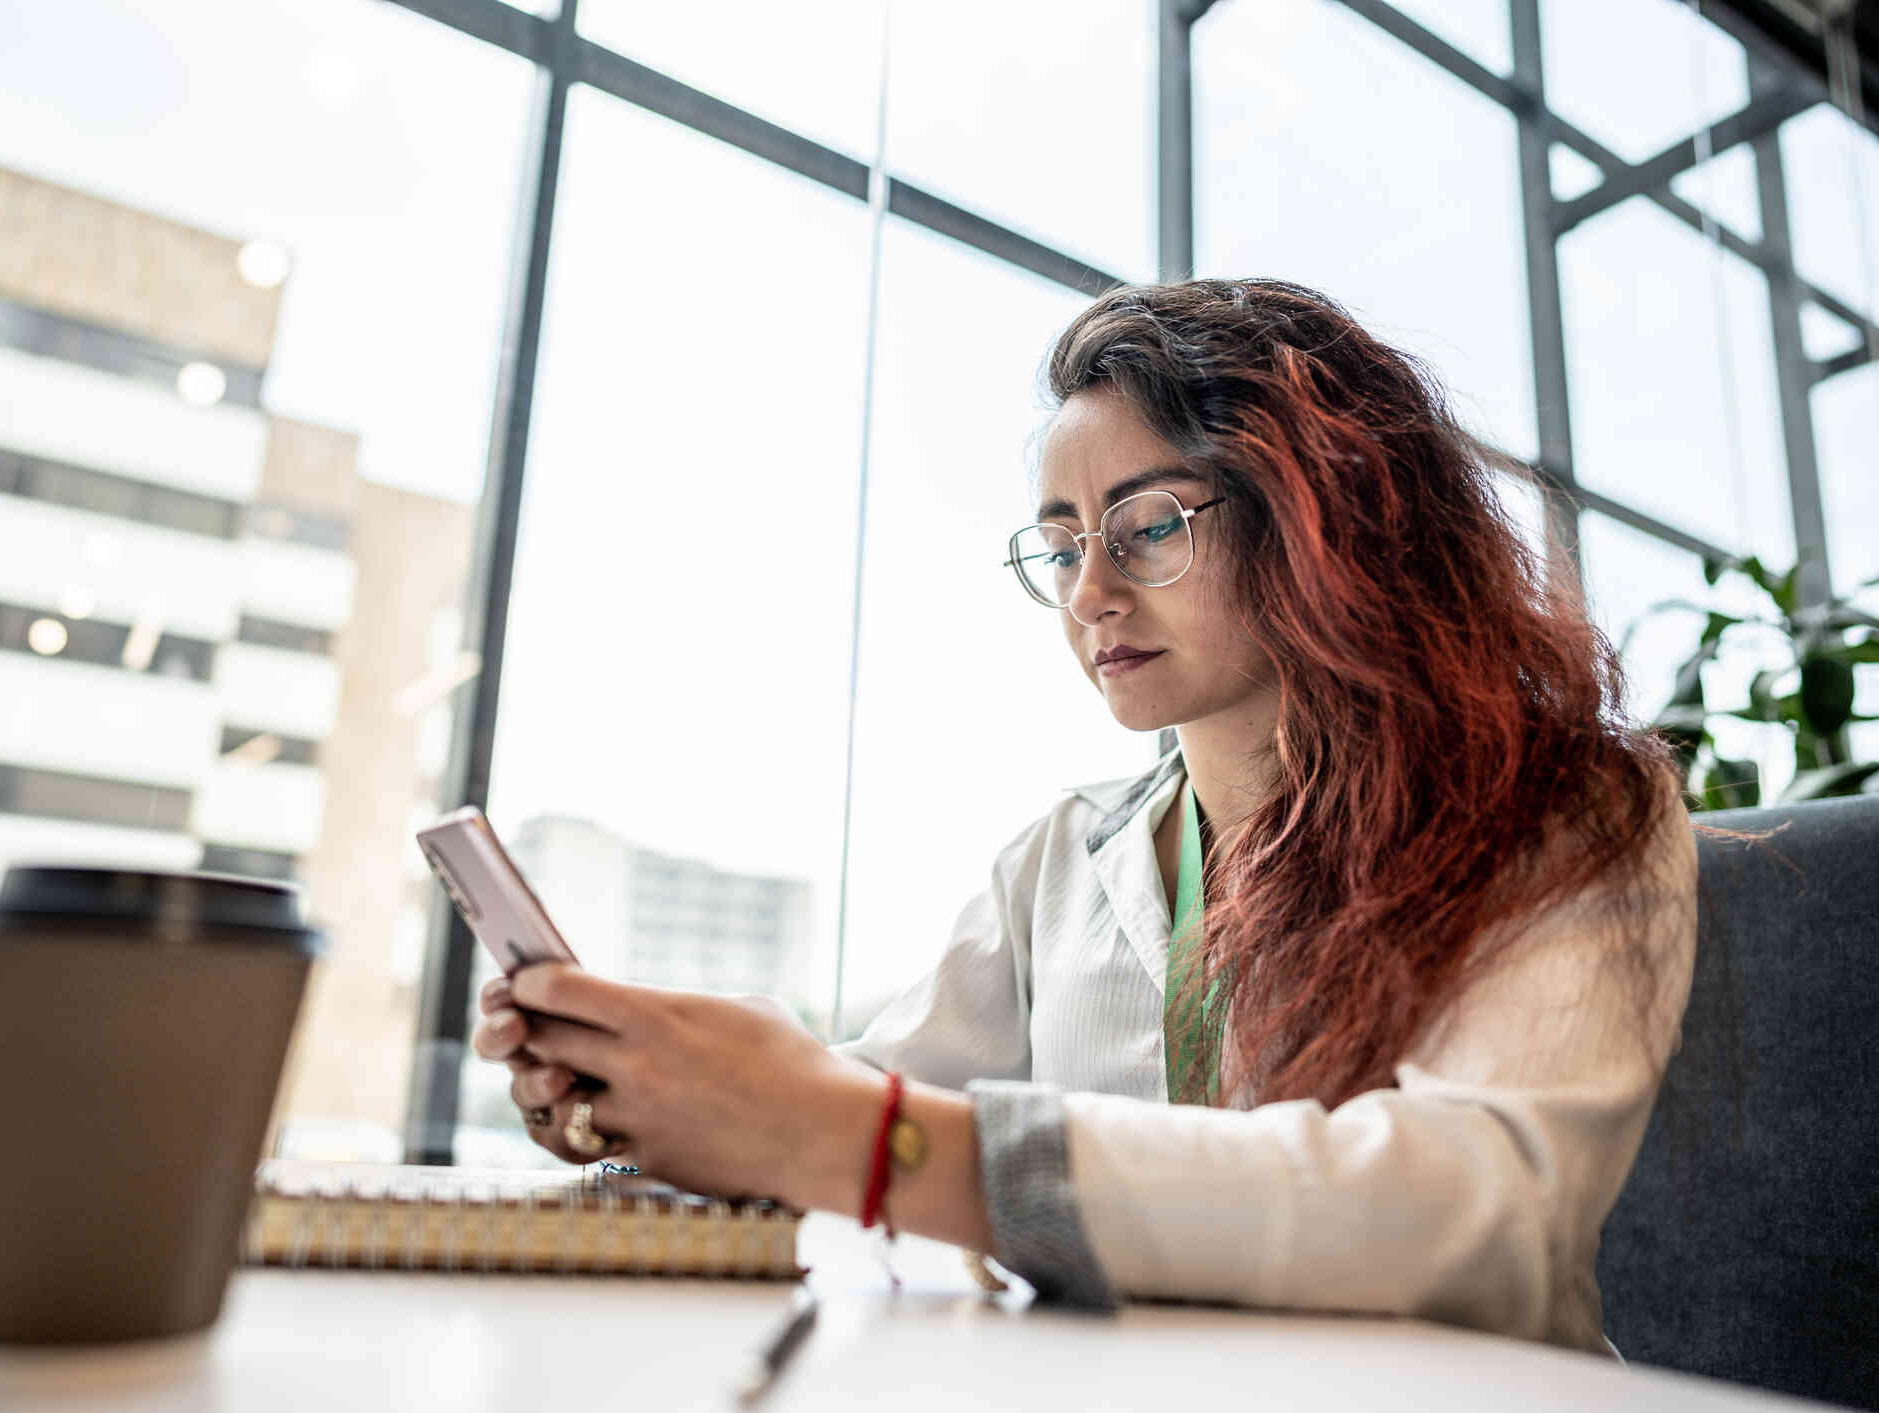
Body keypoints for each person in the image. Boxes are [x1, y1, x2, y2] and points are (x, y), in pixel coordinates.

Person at [471, 279, 1696, 1355]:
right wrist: (634, 1115)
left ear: (1332, 515)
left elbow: (1476, 1205)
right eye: (1061, 548)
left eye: (1149, 527)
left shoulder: (1569, 804)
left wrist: (848, 1130)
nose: (1092, 594)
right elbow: (852, 1112)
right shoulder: (1064, 855)